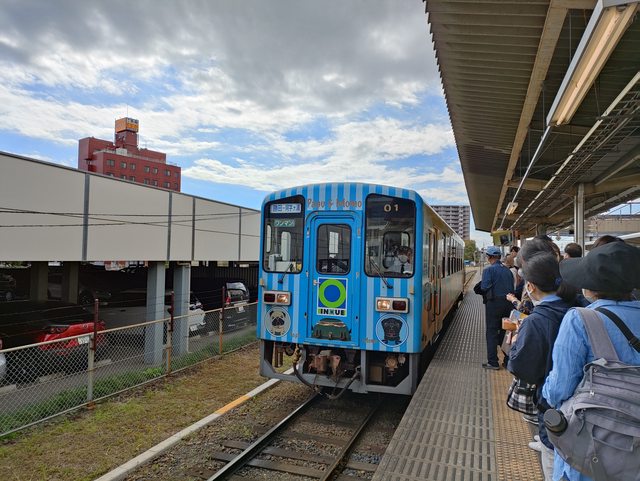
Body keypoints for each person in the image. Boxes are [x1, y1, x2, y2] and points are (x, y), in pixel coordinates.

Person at [542, 241, 640, 481]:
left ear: (591, 287)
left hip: (590, 451)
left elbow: (559, 389)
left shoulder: (580, 319)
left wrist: (543, 389)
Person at [507, 252, 578, 481]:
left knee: (553, 461)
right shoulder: (577, 309)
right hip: (581, 406)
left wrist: (516, 343)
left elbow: (521, 367)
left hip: (552, 406)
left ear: (530, 286)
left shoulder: (536, 321)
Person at [479, 245, 514, 369]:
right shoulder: (508, 271)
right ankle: (507, 360)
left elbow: (484, 287)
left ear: (489, 257)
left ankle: (493, 362)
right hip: (508, 303)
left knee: (492, 332)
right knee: (505, 332)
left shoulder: (488, 270)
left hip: (494, 304)